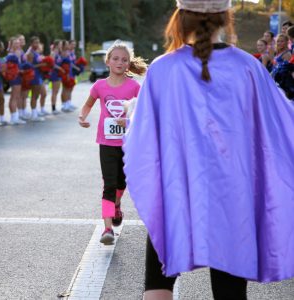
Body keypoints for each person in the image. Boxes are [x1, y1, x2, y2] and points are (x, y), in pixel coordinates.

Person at [123, 1, 294, 299]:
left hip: (176, 192)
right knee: (230, 293)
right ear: (226, 18)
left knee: (158, 287)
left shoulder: (163, 69)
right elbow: (278, 126)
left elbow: (144, 139)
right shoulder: (248, 68)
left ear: (180, 17)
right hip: (233, 199)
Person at [78, 42, 147, 245]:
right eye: (115, 58)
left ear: (128, 64)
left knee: (122, 182)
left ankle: (117, 204)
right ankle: (107, 229)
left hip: (128, 143)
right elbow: (87, 105)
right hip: (106, 143)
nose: (120, 62)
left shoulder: (134, 87)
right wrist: (82, 117)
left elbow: (144, 112)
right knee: (108, 184)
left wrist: (127, 121)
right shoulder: (99, 86)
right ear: (107, 61)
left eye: (124, 59)